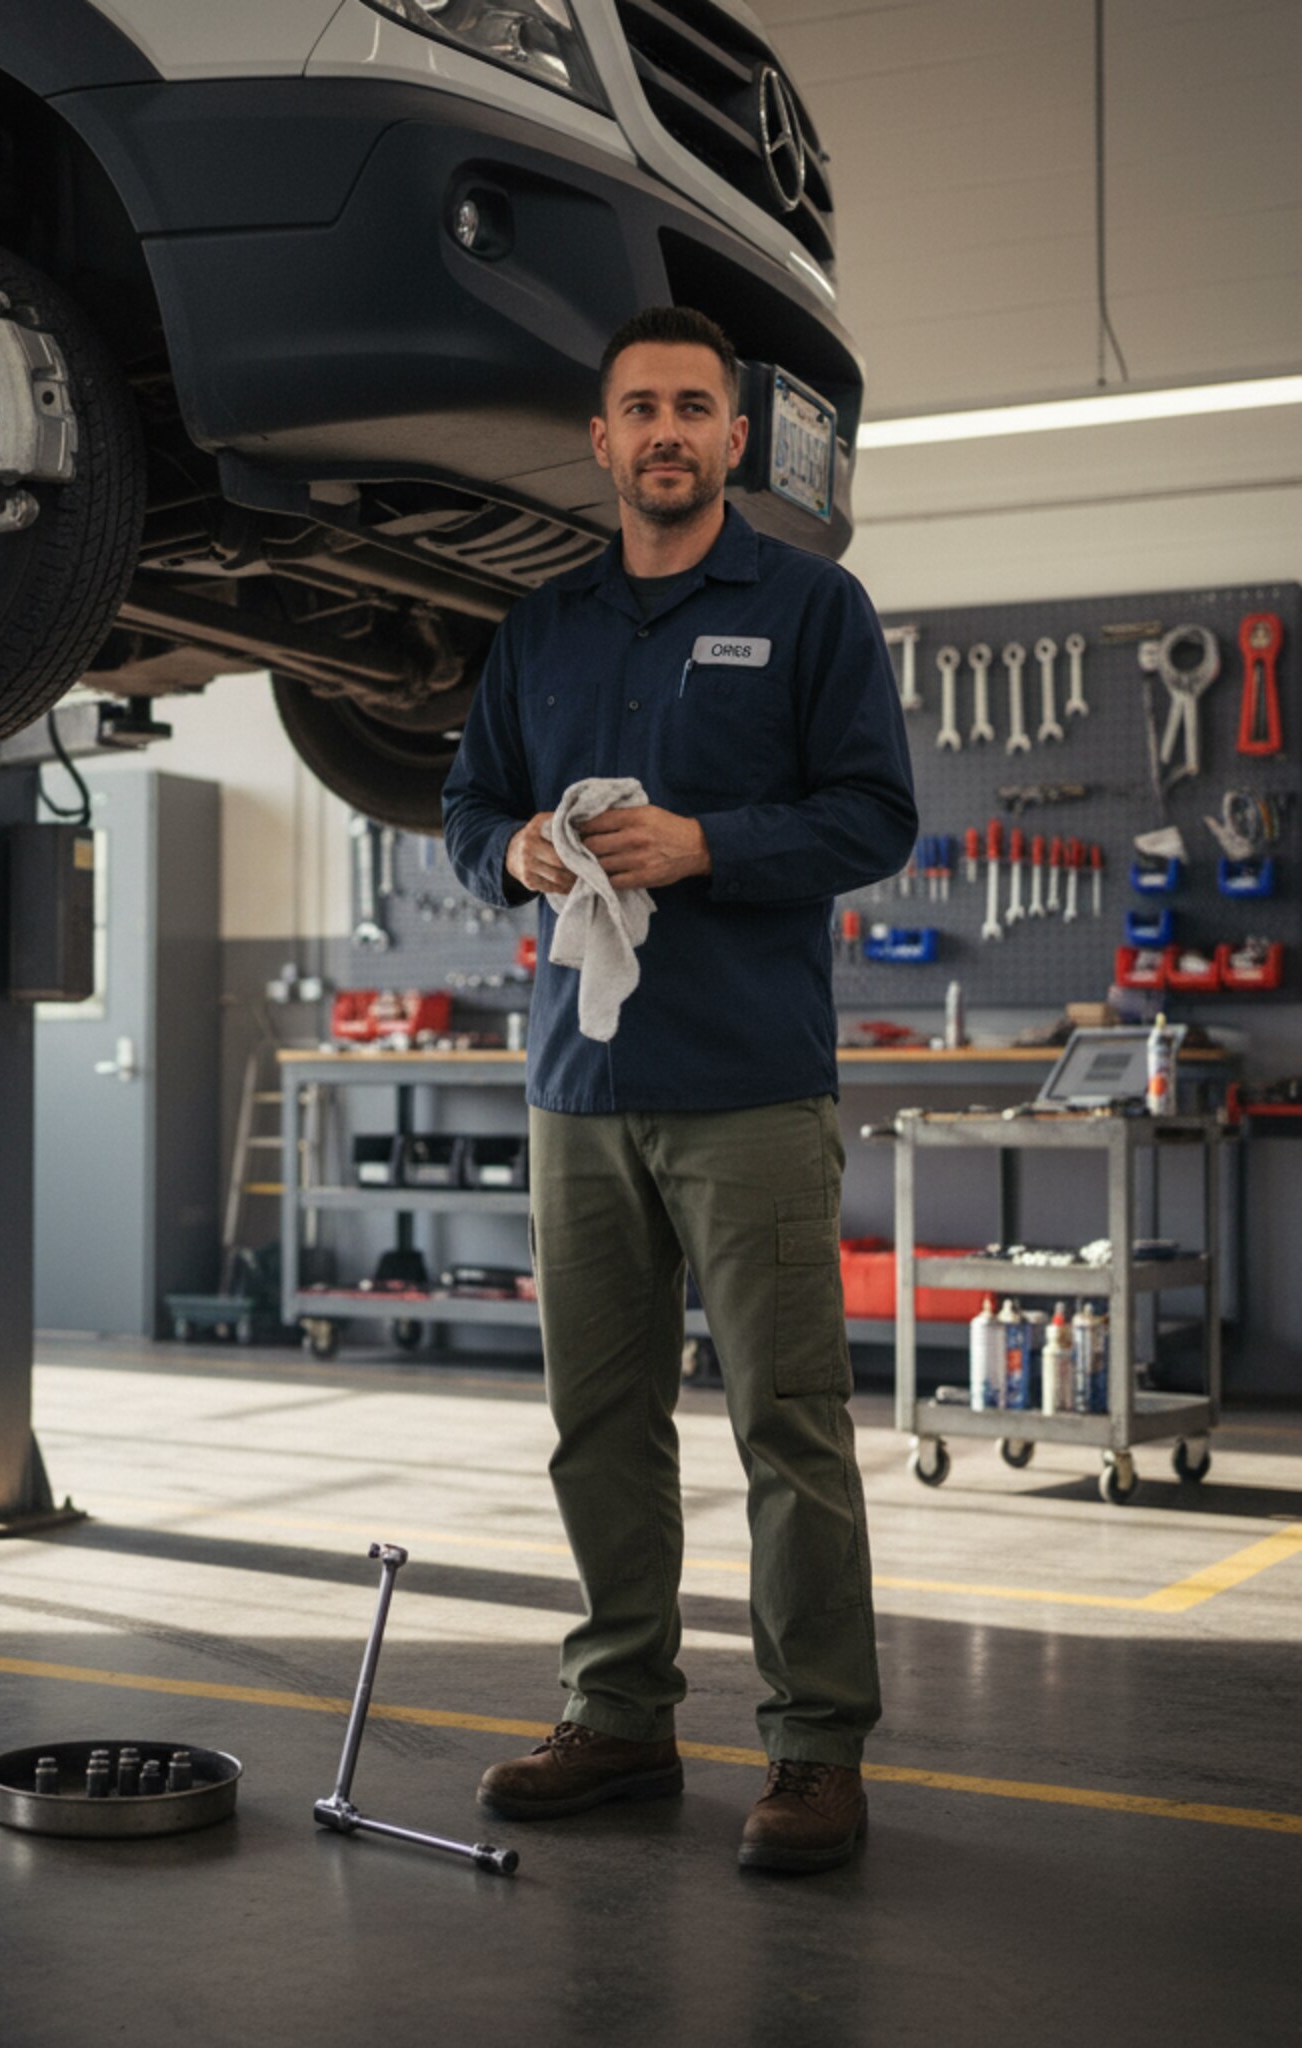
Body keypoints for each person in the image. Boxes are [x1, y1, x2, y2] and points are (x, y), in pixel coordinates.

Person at [442, 305, 917, 1875]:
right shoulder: (542, 633)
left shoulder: (811, 611)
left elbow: (873, 819)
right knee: (599, 1422)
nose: (664, 432)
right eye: (637, 407)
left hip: (749, 1088)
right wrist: (508, 847)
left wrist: (711, 843)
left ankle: (814, 1750)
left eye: (692, 409)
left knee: (789, 1425)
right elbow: (463, 806)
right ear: (602, 441)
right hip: (578, 1086)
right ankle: (622, 1716)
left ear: (733, 439)